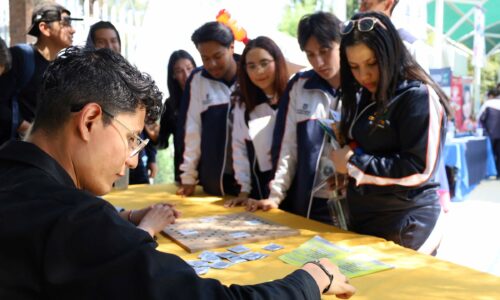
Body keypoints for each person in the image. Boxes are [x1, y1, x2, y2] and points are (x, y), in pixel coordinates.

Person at [0, 46, 355, 300]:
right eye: (130, 139)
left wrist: (120, 217)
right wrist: (310, 279)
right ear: (90, 120)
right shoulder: (77, 222)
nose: (132, 161)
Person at [330, 11, 450, 252]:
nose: (364, 75)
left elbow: (419, 169)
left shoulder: (417, 96)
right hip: (365, 222)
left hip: (408, 226)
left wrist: (354, 164)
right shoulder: (362, 95)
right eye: (354, 67)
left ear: (390, 53)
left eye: (372, 63)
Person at [240, 12, 343, 224]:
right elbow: (288, 147)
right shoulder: (299, 85)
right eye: (310, 54)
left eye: (325, 51)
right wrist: (276, 196)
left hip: (355, 202)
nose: (319, 61)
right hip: (310, 201)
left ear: (341, 43)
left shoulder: (362, 84)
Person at [86, 20, 158, 184]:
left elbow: (145, 123)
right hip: (100, 159)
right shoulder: (85, 80)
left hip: (133, 158)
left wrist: (152, 157)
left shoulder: (130, 77)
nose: (109, 46)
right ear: (91, 46)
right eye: (101, 42)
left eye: (113, 41)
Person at [176, 21, 240, 197]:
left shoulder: (250, 72)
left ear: (232, 48)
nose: (211, 64)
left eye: (218, 56)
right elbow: (192, 129)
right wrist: (188, 176)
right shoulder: (197, 80)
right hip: (215, 180)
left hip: (252, 182)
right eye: (205, 58)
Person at [223, 36, 288, 207]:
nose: (259, 71)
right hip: (263, 189)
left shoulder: (294, 95)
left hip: (298, 185)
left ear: (278, 61)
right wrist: (244, 190)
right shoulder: (243, 104)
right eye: (251, 66)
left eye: (264, 63)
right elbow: (240, 149)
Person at [9, 3, 80, 137]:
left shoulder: (63, 68)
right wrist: (31, 131)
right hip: (18, 150)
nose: (73, 30)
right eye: (66, 23)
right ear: (45, 28)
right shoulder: (21, 56)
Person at [147, 50, 196, 183]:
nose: (186, 75)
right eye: (179, 71)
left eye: (189, 68)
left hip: (211, 168)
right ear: (173, 75)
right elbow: (163, 143)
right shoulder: (170, 104)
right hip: (183, 171)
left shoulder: (208, 97)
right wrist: (154, 136)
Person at [478, 87, 500, 178]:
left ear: (491, 95)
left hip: (489, 134)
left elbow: (480, 118)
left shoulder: (487, 104)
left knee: (489, 153)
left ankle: (489, 172)